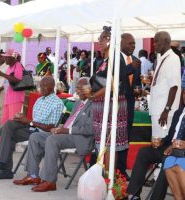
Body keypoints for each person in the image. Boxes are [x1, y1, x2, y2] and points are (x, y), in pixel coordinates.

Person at [13, 77, 95, 192]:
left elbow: (90, 129)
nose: (78, 90)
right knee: (35, 137)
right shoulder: (77, 104)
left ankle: (49, 181)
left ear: (90, 89)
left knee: (53, 140)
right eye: (77, 88)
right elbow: (69, 123)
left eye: (81, 88)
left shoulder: (94, 105)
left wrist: (65, 131)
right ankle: (33, 175)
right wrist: (59, 129)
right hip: (66, 134)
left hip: (81, 138)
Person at [0, 77, 64, 179]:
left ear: (52, 87)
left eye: (44, 86)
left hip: (42, 133)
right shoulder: (40, 100)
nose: (41, 88)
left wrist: (29, 121)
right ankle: (2, 164)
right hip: (32, 128)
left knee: (9, 135)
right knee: (9, 125)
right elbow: (34, 120)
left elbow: (51, 128)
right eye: (40, 86)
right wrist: (21, 118)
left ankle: (4, 168)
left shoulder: (57, 103)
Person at [127, 90, 185, 200]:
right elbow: (170, 136)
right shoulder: (179, 113)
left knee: (167, 159)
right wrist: (161, 141)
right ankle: (133, 194)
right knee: (144, 152)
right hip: (169, 147)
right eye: (184, 93)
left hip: (181, 152)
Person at [89, 26, 128, 170]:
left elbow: (113, 85)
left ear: (113, 41)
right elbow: (100, 83)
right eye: (100, 38)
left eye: (105, 38)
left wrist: (92, 95)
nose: (101, 41)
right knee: (103, 143)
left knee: (110, 144)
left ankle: (108, 179)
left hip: (112, 105)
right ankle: (102, 177)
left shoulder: (116, 58)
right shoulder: (103, 60)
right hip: (101, 106)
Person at [117, 33, 142, 179]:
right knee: (117, 136)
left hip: (130, 104)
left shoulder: (136, 61)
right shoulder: (115, 58)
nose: (133, 46)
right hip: (117, 104)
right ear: (121, 43)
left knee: (126, 137)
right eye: (130, 43)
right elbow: (116, 75)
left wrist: (138, 89)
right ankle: (114, 168)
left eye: (134, 44)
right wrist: (130, 68)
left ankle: (122, 169)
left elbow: (136, 81)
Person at [163, 106, 185, 200]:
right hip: (177, 153)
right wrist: (172, 146)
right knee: (169, 163)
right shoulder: (180, 112)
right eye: (184, 93)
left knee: (179, 167)